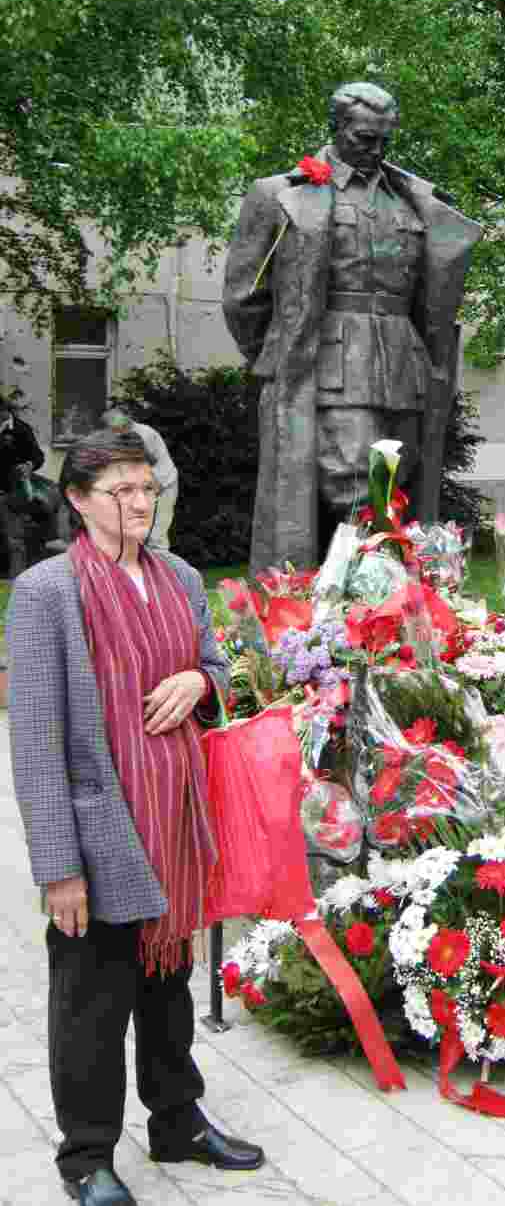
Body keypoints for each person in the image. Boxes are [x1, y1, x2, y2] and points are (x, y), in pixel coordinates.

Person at [8, 430, 265, 1206]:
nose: (138, 503)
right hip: (102, 831)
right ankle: (86, 1156)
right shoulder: (48, 591)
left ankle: (177, 1117)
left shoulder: (182, 578)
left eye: (146, 487)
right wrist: (58, 867)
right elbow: (35, 742)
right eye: (119, 490)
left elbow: (225, 669)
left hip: (177, 821)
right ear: (79, 501)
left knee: (169, 981)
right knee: (90, 998)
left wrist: (197, 678)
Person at [223, 81, 482, 573]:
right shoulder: (279, 195)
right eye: (365, 139)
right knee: (357, 488)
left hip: (404, 366)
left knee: (396, 492)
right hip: (329, 368)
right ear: (337, 129)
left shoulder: (412, 200)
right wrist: (286, 355)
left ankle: (380, 621)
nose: (377, 150)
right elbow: (243, 299)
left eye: (385, 140)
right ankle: (353, 619)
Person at [101, 409, 179, 549]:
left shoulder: (144, 434)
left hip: (163, 483)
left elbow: (150, 461)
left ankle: (161, 567)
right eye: (111, 429)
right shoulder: (118, 434)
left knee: (157, 535)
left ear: (125, 423)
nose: (113, 432)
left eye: (115, 428)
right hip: (145, 485)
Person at [0, 397, 46, 577]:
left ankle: (16, 578)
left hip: (14, 490)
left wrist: (29, 465)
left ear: (5, 411)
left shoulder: (21, 429)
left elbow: (38, 456)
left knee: (14, 538)